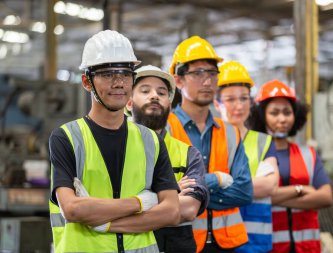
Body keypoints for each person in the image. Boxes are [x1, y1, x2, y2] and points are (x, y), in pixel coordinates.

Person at [48, 30, 180, 253]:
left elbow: (171, 212)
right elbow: (71, 209)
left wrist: (104, 222)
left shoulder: (151, 141)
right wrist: (141, 202)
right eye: (108, 74)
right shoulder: (67, 138)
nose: (119, 83)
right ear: (86, 81)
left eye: (125, 74)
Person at [167, 36, 253, 253]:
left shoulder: (230, 132)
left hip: (226, 244)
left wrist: (195, 195)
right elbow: (165, 192)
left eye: (212, 73)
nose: (207, 81)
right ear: (178, 80)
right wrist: (217, 179)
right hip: (181, 242)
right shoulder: (165, 128)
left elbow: (244, 192)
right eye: (197, 73)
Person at [126, 64, 209, 253]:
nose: (154, 95)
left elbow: (188, 210)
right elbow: (105, 206)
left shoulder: (188, 154)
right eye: (145, 90)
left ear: (169, 106)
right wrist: (171, 198)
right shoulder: (115, 150)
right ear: (129, 103)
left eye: (162, 93)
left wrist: (136, 203)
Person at [249, 79, 333, 253]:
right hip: (268, 247)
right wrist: (300, 189)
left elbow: (326, 198)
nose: (282, 119)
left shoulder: (308, 154)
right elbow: (247, 197)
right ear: (262, 115)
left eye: (287, 112)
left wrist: (272, 197)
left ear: (296, 116)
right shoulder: (251, 156)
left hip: (308, 248)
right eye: (274, 112)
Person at [213, 61, 279, 253]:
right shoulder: (208, 140)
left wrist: (218, 183)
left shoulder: (263, 142)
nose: (239, 106)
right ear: (217, 103)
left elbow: (269, 185)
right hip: (219, 239)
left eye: (244, 98)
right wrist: (248, 185)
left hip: (255, 242)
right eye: (230, 99)